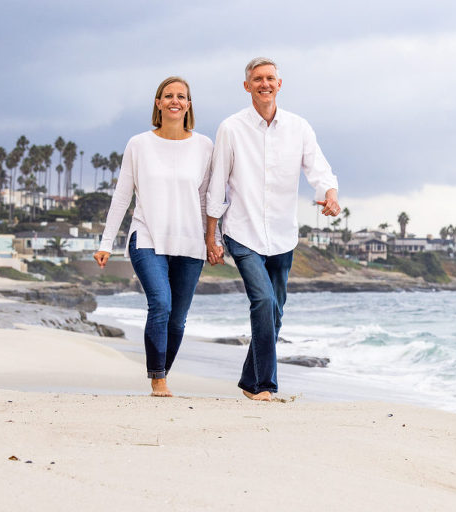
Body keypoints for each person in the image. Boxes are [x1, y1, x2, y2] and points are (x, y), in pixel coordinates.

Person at [205, 57, 340, 401]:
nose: (264, 84)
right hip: (242, 231)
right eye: (257, 79)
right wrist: (212, 236)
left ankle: (249, 382)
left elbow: (319, 169)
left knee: (275, 310)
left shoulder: (299, 127)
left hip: (282, 235)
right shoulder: (231, 128)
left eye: (270, 78)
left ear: (279, 84)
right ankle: (265, 385)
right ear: (247, 86)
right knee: (263, 301)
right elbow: (217, 184)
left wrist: (330, 195)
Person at [94, 76, 214, 397]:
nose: (175, 101)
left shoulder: (204, 146)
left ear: (188, 105)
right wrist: (106, 244)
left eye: (181, 96)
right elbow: (122, 196)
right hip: (146, 236)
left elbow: (206, 199)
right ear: (158, 103)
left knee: (177, 319)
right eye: (168, 95)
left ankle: (162, 372)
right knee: (160, 303)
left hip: (190, 241)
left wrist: (212, 239)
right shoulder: (139, 144)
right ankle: (158, 379)